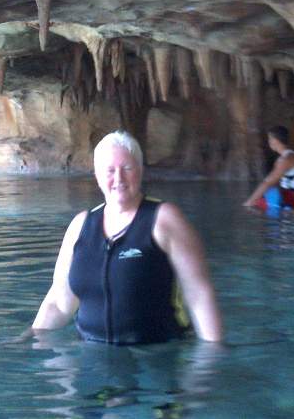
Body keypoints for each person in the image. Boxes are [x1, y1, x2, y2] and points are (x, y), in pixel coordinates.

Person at [31, 130, 223, 344]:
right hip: (92, 357)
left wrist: (212, 358)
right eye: (110, 170)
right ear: (97, 175)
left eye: (127, 168)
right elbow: (59, 302)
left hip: (158, 354)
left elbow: (198, 293)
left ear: (140, 171)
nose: (118, 178)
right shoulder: (81, 226)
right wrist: (30, 339)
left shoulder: (164, 219)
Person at [243, 125, 294, 211]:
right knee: (265, 196)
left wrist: (249, 202)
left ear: (275, 140)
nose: (269, 142)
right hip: (292, 195)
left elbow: (268, 182)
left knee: (257, 204)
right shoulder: (287, 156)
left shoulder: (286, 159)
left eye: (270, 139)